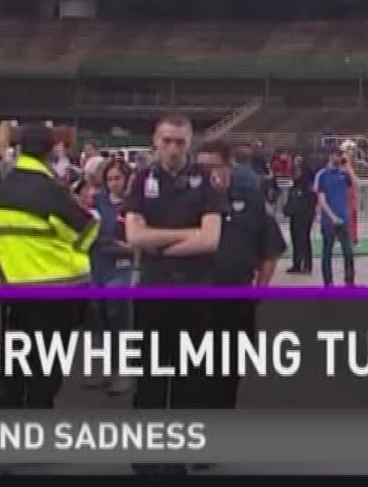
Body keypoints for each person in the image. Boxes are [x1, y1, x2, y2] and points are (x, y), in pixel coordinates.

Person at [123, 112, 225, 471]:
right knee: (149, 376)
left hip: (195, 293)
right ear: (155, 140)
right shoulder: (141, 180)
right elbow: (134, 236)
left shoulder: (206, 183)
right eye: (166, 141)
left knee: (190, 377)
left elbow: (211, 239)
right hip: (152, 291)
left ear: (190, 142)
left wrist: (159, 242)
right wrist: (186, 236)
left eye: (180, 142)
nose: (173, 149)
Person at [0, 121, 97, 409]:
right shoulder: (52, 193)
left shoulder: (0, 190)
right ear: (52, 151)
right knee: (44, 376)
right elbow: (87, 232)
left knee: (12, 370)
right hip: (54, 296)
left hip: (9, 292)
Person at [203, 138, 286, 412]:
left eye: (214, 167)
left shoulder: (250, 200)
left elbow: (271, 250)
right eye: (202, 168)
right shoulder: (191, 201)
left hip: (237, 297)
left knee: (230, 367)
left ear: (229, 166)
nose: (209, 174)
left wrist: (259, 291)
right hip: (196, 297)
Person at [87, 157, 137, 397]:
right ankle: (106, 369)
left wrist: (128, 246)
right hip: (98, 263)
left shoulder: (133, 205)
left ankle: (124, 371)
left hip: (122, 265)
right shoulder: (98, 201)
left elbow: (138, 240)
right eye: (109, 179)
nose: (113, 183)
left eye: (117, 178)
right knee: (99, 317)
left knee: (118, 313)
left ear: (126, 179)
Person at [313, 149, 357, 287]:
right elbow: (321, 198)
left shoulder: (344, 174)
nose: (339, 159)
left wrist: (348, 167)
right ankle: (328, 282)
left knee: (348, 251)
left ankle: (349, 281)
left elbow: (355, 184)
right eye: (337, 156)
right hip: (329, 219)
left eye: (341, 156)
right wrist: (332, 216)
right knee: (328, 250)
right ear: (331, 156)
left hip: (343, 217)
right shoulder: (322, 175)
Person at [282, 155, 316, 275]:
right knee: (295, 239)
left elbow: (311, 201)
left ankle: (307, 264)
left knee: (304, 239)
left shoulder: (308, 186)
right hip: (295, 215)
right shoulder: (295, 186)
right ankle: (297, 263)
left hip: (305, 215)